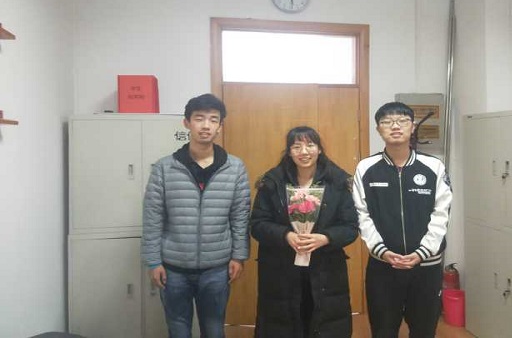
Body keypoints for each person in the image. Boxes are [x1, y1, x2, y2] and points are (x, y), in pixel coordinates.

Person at [141, 94, 251, 338]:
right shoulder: (164, 168)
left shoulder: (235, 168)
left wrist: (238, 256)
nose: (206, 125)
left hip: (217, 268)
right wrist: (154, 261)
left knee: (214, 329)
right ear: (187, 123)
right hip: (173, 268)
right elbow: (152, 218)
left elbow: (240, 216)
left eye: (213, 119)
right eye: (199, 118)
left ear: (220, 126)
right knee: (178, 329)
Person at [352, 102, 452, 338]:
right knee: (383, 330)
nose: (395, 126)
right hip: (384, 266)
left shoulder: (433, 166)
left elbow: (442, 213)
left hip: (426, 267)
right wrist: (382, 251)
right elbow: (361, 214)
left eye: (402, 121)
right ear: (378, 129)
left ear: (412, 127)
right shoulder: (366, 168)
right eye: (387, 122)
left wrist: (423, 252)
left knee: (424, 330)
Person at [250, 126, 359, 338]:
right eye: (296, 146)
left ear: (319, 149)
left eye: (310, 145)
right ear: (289, 152)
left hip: (325, 268)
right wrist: (286, 235)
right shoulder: (272, 182)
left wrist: (325, 238)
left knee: (322, 322)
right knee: (284, 324)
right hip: (281, 268)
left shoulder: (338, 182)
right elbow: (257, 224)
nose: (304, 151)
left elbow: (350, 227)